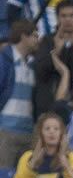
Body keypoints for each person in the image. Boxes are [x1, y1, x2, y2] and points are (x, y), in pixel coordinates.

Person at [0, 19, 38, 168]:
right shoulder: (3, 61)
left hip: (28, 132)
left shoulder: (32, 64)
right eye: (34, 35)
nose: (37, 40)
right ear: (23, 36)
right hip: (5, 131)